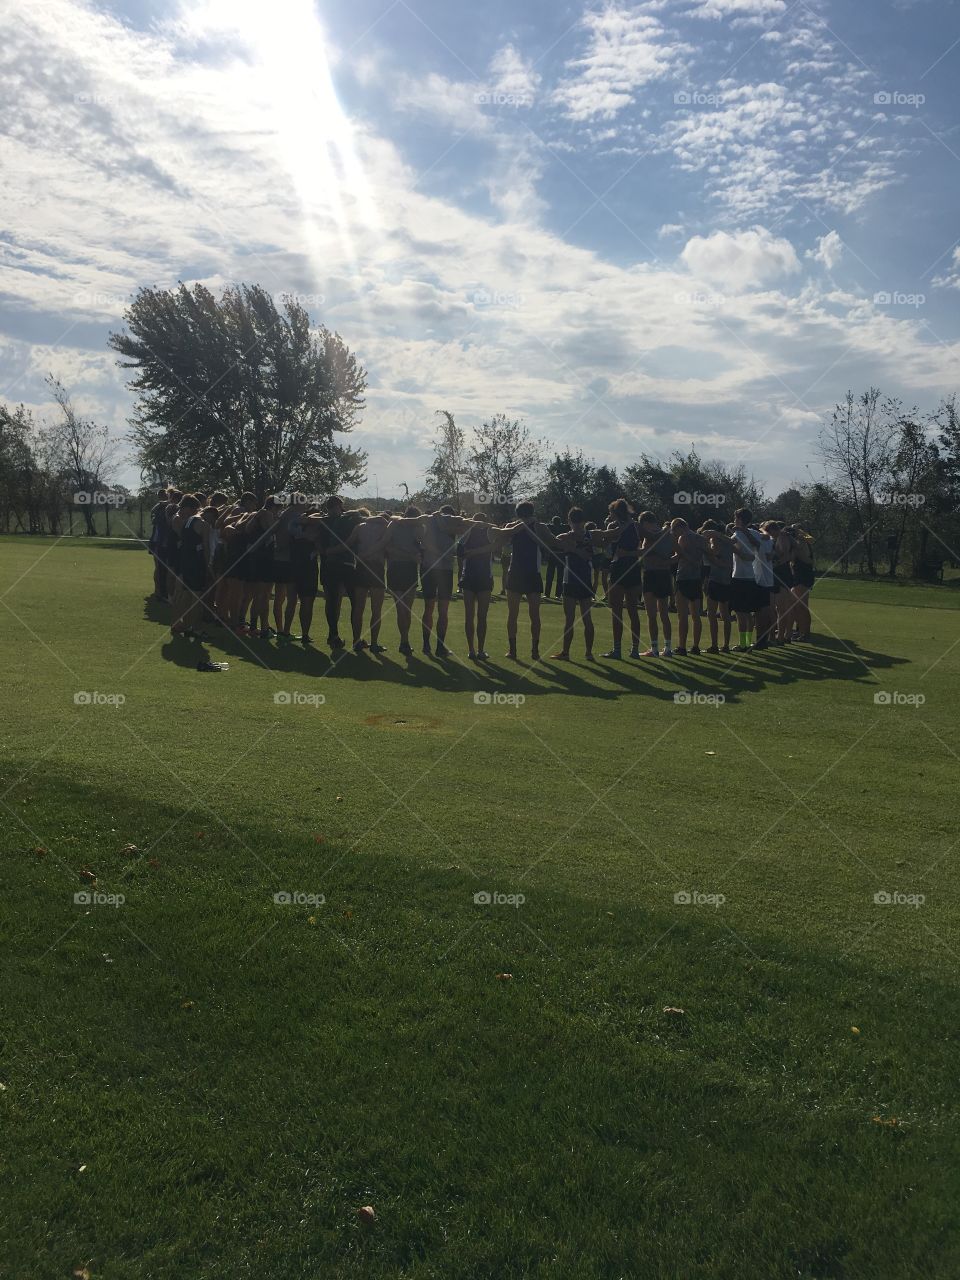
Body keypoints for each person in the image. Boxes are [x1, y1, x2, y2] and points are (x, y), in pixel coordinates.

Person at [551, 507, 599, 660]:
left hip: (573, 580)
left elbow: (555, 540)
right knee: (582, 618)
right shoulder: (577, 536)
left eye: (577, 522)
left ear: (569, 521)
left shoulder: (584, 536)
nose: (577, 525)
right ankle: (586, 653)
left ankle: (573, 652)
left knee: (575, 619)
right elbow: (556, 541)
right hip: (581, 580)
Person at [601, 499, 644, 660]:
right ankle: (634, 650)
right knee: (633, 611)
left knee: (617, 612)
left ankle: (618, 650)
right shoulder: (635, 526)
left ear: (614, 512)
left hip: (619, 569)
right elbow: (644, 550)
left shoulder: (614, 527)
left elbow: (604, 546)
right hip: (633, 569)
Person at [348, 511, 391, 652]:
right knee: (376, 610)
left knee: (358, 608)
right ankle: (373, 643)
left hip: (361, 567)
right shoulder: (386, 528)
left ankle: (356, 641)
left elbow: (349, 543)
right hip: (376, 567)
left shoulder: (360, 527)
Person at [386, 506, 423, 656]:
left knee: (405, 610)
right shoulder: (394, 525)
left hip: (407, 571)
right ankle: (404, 641)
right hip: (398, 569)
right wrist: (410, 555)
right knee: (402, 609)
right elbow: (388, 547)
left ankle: (405, 641)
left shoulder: (416, 528)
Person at [459, 513, 496, 659]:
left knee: (479, 616)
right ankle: (474, 650)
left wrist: (473, 552)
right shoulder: (468, 533)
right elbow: (459, 551)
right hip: (471, 577)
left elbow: (497, 543)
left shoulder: (489, 532)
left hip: (482, 578)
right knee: (474, 616)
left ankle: (477, 650)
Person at [638, 512, 674, 657]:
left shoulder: (650, 535)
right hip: (664, 575)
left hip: (651, 574)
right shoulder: (668, 534)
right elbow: (677, 553)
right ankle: (668, 648)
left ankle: (654, 649)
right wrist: (666, 561)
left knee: (652, 615)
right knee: (664, 614)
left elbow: (645, 553)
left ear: (645, 523)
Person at [670, 517, 707, 655]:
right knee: (696, 615)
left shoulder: (683, 538)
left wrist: (663, 561)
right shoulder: (701, 539)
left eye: (675, 530)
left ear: (680, 527)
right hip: (696, 578)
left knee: (682, 615)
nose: (675, 533)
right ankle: (696, 646)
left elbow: (678, 557)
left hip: (684, 577)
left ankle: (682, 646)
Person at [701, 521, 733, 653]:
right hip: (726, 580)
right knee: (725, 615)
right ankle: (725, 645)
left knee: (712, 614)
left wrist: (703, 547)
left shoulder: (716, 541)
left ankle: (714, 645)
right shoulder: (729, 542)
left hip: (715, 580)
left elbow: (713, 555)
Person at [789, 525, 815, 641]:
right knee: (796, 606)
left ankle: (805, 634)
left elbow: (810, 540)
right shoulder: (798, 542)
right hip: (798, 574)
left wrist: (800, 532)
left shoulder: (803, 541)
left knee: (802, 606)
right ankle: (801, 632)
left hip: (803, 574)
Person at [147, 489, 170, 601]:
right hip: (158, 541)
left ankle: (159, 591)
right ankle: (159, 592)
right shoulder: (159, 509)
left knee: (160, 568)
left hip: (158, 541)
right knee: (159, 568)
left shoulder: (162, 507)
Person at [543, 515, 566, 600]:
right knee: (555, 575)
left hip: (557, 554)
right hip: (556, 554)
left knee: (553, 575)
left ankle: (550, 594)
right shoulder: (562, 528)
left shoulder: (551, 528)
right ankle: (556, 594)